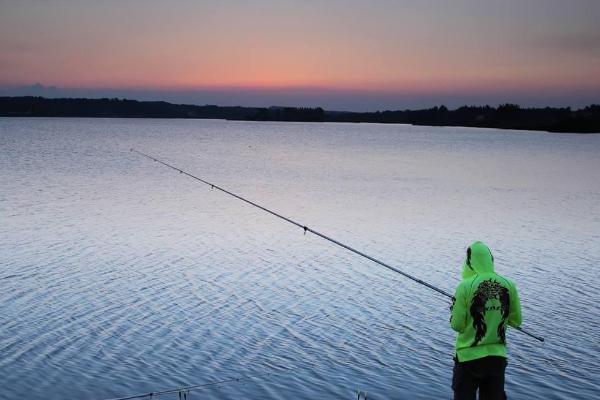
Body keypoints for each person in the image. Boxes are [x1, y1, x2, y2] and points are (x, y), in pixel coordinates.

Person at [450, 241, 522, 400]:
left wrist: (454, 307)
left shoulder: (465, 286)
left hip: (468, 358)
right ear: (490, 259)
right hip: (497, 358)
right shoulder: (509, 284)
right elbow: (516, 321)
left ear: (469, 261)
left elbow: (456, 325)